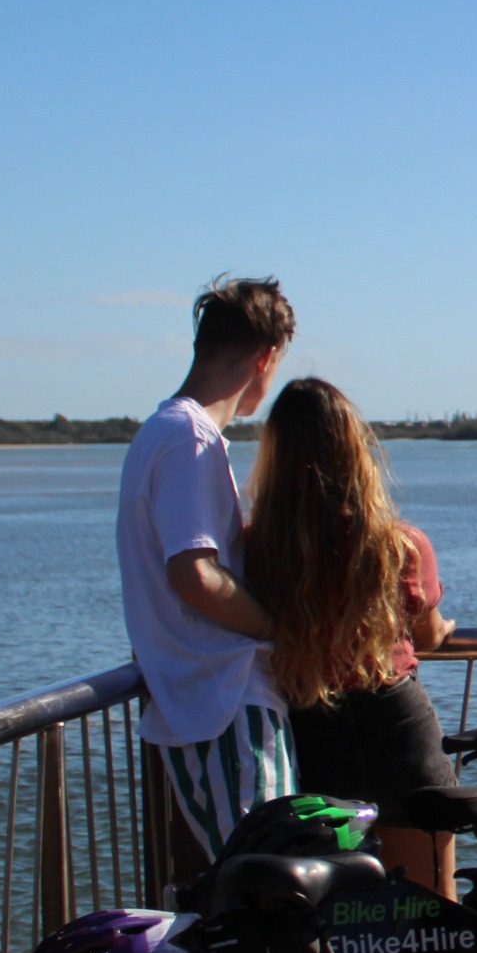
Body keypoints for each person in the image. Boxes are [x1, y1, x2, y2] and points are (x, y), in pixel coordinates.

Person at [243, 376, 461, 894]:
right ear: (356, 454)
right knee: (432, 907)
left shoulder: (252, 552)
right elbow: (428, 636)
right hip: (395, 722)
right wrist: (446, 626)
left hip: (307, 728)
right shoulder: (398, 546)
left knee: (329, 913)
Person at [118, 276, 298, 854]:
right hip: (226, 706)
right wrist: (278, 630)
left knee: (253, 881)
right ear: (265, 357)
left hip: (204, 706)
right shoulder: (190, 437)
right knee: (270, 882)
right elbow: (193, 575)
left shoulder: (164, 431)